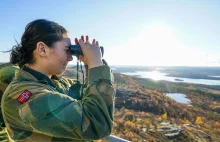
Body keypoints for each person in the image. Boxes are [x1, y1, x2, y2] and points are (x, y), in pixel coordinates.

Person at [1, 19, 115, 141]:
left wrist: (91, 64)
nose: (71, 57)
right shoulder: (23, 95)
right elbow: (97, 124)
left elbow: (90, 98)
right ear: (42, 49)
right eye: (67, 50)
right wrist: (96, 64)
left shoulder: (59, 83)